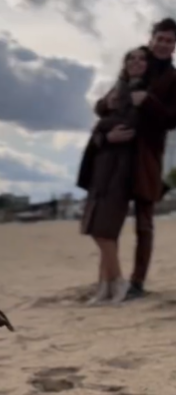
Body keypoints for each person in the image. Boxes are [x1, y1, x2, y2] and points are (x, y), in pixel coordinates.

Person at [95, 17, 176, 301]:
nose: (164, 45)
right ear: (152, 38)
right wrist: (109, 105)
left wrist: (148, 101)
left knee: (144, 223)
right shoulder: (136, 60)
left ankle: (137, 283)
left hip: (147, 159)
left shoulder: (174, 78)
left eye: (170, 40)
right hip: (117, 158)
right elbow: (101, 105)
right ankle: (107, 280)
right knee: (109, 222)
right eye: (160, 39)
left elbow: (172, 120)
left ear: (174, 45)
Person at [77, 47, 151, 304]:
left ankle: (117, 282)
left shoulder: (145, 92)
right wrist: (104, 132)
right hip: (102, 167)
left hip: (122, 169)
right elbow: (101, 124)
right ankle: (104, 287)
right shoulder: (117, 90)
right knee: (101, 228)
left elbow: (130, 125)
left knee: (104, 231)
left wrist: (104, 125)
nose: (136, 62)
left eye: (142, 59)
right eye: (131, 57)